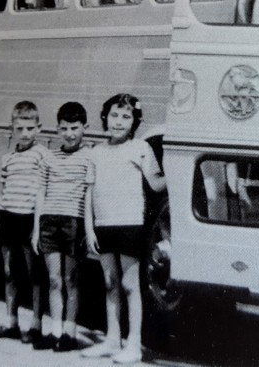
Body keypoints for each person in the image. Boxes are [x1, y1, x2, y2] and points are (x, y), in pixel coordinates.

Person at [82, 94, 166, 364]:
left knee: (130, 285)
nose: (119, 122)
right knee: (109, 284)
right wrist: (89, 228)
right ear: (105, 117)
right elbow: (89, 193)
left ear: (135, 122)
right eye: (115, 115)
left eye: (126, 117)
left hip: (130, 225)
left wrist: (178, 169)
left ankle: (134, 345)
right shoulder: (95, 152)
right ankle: (111, 339)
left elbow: (156, 184)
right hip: (103, 226)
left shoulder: (141, 148)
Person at [31, 101, 95, 352]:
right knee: (54, 279)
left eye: (75, 128)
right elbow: (40, 193)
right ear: (57, 129)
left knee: (71, 278)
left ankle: (70, 332)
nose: (69, 134)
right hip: (49, 221)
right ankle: (55, 330)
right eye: (64, 128)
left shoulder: (90, 156)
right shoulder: (49, 157)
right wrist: (37, 229)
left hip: (74, 222)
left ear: (85, 128)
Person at [0, 101, 47, 344]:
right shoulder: (8, 158)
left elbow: (43, 191)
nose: (24, 133)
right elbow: (3, 192)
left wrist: (38, 225)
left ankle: (35, 325)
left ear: (38, 128)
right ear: (11, 128)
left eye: (30, 128)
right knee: (10, 272)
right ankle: (11, 322)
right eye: (20, 128)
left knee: (35, 273)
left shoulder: (42, 155)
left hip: (29, 218)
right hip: (8, 217)